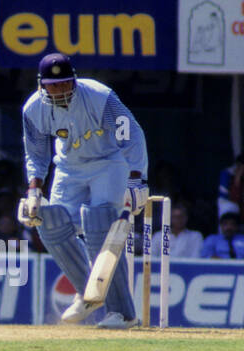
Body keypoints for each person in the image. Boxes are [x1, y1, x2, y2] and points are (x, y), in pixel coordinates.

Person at [17, 52, 148, 328]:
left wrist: (137, 181)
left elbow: (132, 135)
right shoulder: (33, 110)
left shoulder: (100, 97)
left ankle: (123, 313)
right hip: (68, 168)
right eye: (53, 86)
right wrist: (33, 191)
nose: (60, 90)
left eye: (65, 83)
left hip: (108, 163)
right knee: (49, 221)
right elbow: (36, 155)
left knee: (99, 221)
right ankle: (87, 292)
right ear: (41, 85)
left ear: (74, 80)